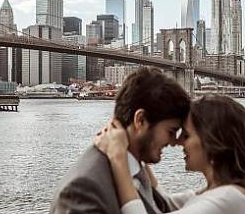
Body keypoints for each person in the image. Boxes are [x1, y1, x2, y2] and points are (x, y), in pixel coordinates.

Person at [49, 67, 191, 214]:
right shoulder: (83, 190)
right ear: (140, 120)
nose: (174, 142)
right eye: (171, 131)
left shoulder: (136, 168)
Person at [95, 95, 245, 214]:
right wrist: (137, 146)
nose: (177, 142)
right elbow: (164, 203)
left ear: (213, 140)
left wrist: (118, 158)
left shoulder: (229, 198)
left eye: (186, 135)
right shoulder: (216, 193)